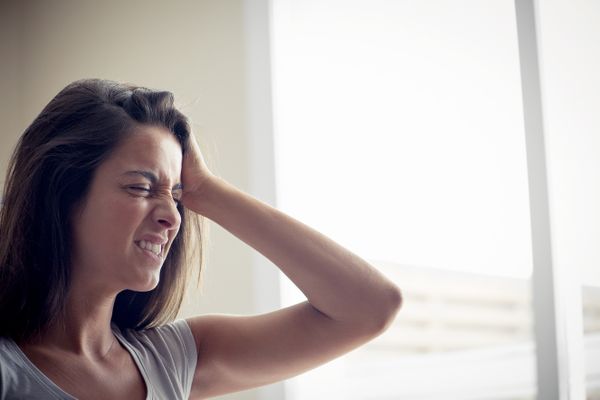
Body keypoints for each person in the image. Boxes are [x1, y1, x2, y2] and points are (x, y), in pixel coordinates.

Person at [0, 79, 402, 399]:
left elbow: (370, 307)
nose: (172, 216)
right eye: (141, 188)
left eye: (176, 196)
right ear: (62, 195)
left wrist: (207, 190)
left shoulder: (171, 360)